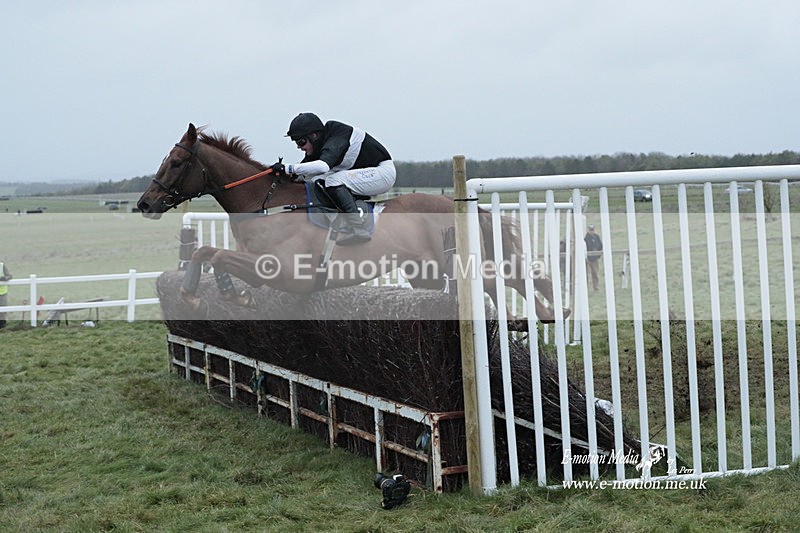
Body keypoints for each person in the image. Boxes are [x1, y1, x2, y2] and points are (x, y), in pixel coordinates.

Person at [271, 113, 396, 245]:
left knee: (333, 180)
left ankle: (359, 229)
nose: (299, 147)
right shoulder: (320, 144)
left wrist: (288, 168)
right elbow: (302, 173)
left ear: (314, 136)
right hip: (365, 172)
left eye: (301, 141)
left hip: (383, 173)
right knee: (317, 181)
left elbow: (323, 166)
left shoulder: (336, 135)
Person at [584, 224, 603, 291]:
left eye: (593, 230)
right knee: (586, 273)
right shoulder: (586, 238)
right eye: (590, 230)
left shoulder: (597, 237)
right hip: (588, 258)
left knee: (595, 273)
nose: (592, 231)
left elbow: (600, 246)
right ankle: (585, 288)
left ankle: (596, 287)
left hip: (595, 258)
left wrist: (598, 255)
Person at [0, 260, 12, 329]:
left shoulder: (1, 266)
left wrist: (3, 279)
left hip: (2, 292)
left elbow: (9, 276)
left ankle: (2, 326)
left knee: (2, 311)